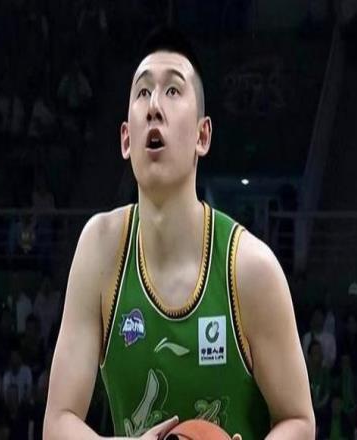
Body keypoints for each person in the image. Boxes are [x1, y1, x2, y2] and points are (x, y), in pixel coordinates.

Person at [44, 27, 315, 439]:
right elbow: (57, 422)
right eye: (143, 92)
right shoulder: (99, 250)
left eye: (173, 90)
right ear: (125, 139)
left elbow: (299, 421)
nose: (154, 106)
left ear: (203, 136)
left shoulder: (250, 268)